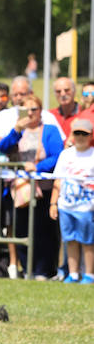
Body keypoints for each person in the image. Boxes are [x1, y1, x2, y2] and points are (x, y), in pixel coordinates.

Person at [0, 94, 63, 279]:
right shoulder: (18, 131)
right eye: (27, 109)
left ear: (41, 111)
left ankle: (44, 270)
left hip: (44, 189)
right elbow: (3, 147)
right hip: (20, 190)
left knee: (44, 231)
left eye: (34, 109)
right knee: (21, 230)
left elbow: (57, 155)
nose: (31, 113)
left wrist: (38, 167)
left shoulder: (49, 130)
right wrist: (16, 130)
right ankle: (27, 270)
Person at [50, 118, 94, 283]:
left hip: (87, 207)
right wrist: (53, 203)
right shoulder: (65, 154)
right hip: (66, 205)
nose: (81, 136)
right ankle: (73, 273)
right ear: (72, 134)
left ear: (90, 135)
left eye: (84, 133)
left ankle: (89, 274)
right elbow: (58, 180)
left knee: (88, 241)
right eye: (77, 133)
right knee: (70, 240)